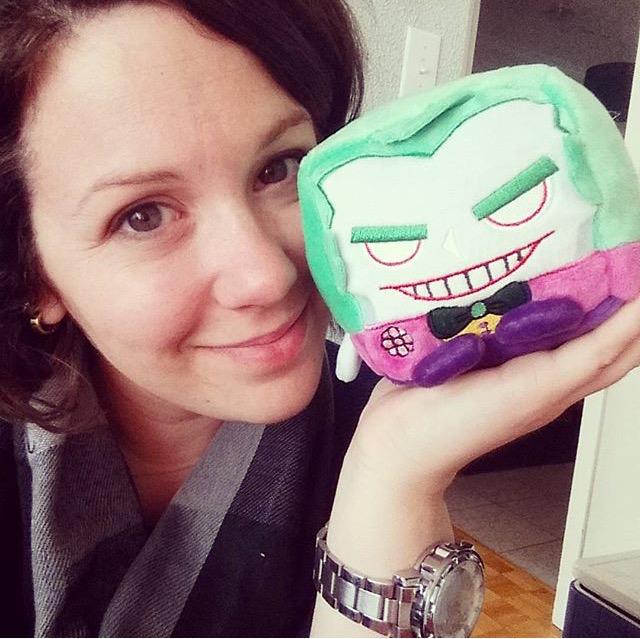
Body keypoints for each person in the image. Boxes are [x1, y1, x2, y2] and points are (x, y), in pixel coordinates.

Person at [1, 0, 640, 636]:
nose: (268, 275)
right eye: (143, 216)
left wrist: (392, 484)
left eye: (278, 169)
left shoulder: (389, 415)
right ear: (32, 274)